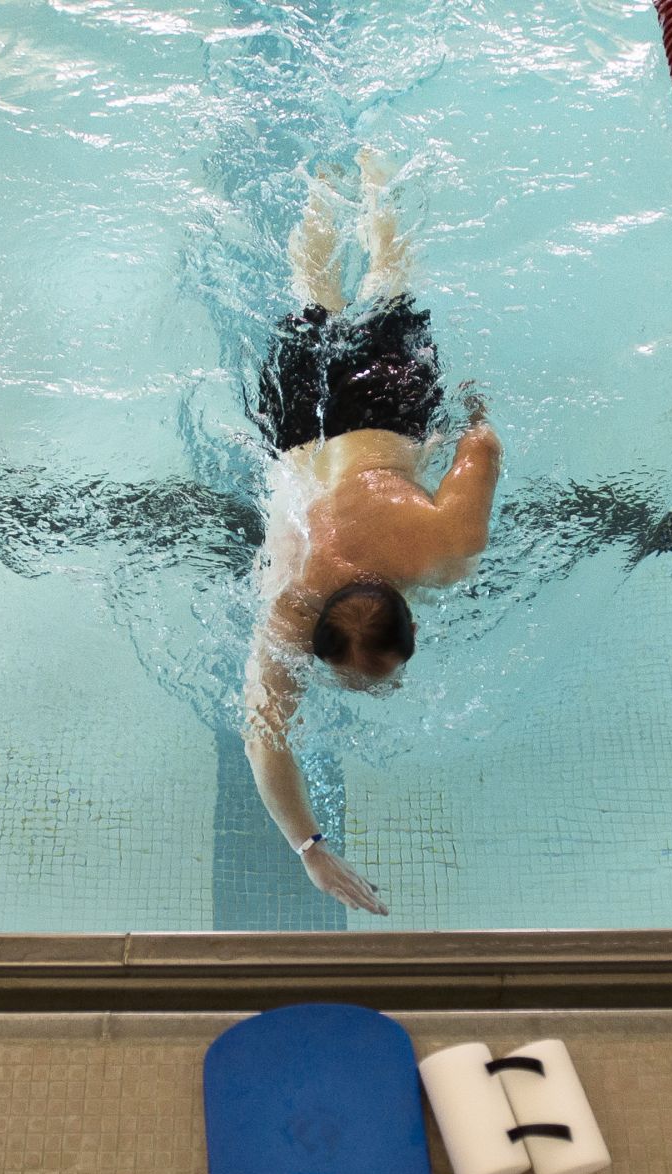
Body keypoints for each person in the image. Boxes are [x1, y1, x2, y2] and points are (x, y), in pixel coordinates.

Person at [244, 151, 503, 915]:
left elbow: (481, 449)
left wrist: (474, 411)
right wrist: (311, 848)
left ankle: (365, 176)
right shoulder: (291, 595)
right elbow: (262, 732)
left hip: (386, 411)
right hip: (298, 420)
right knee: (314, 291)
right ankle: (334, 186)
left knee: (388, 274)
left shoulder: (444, 545)